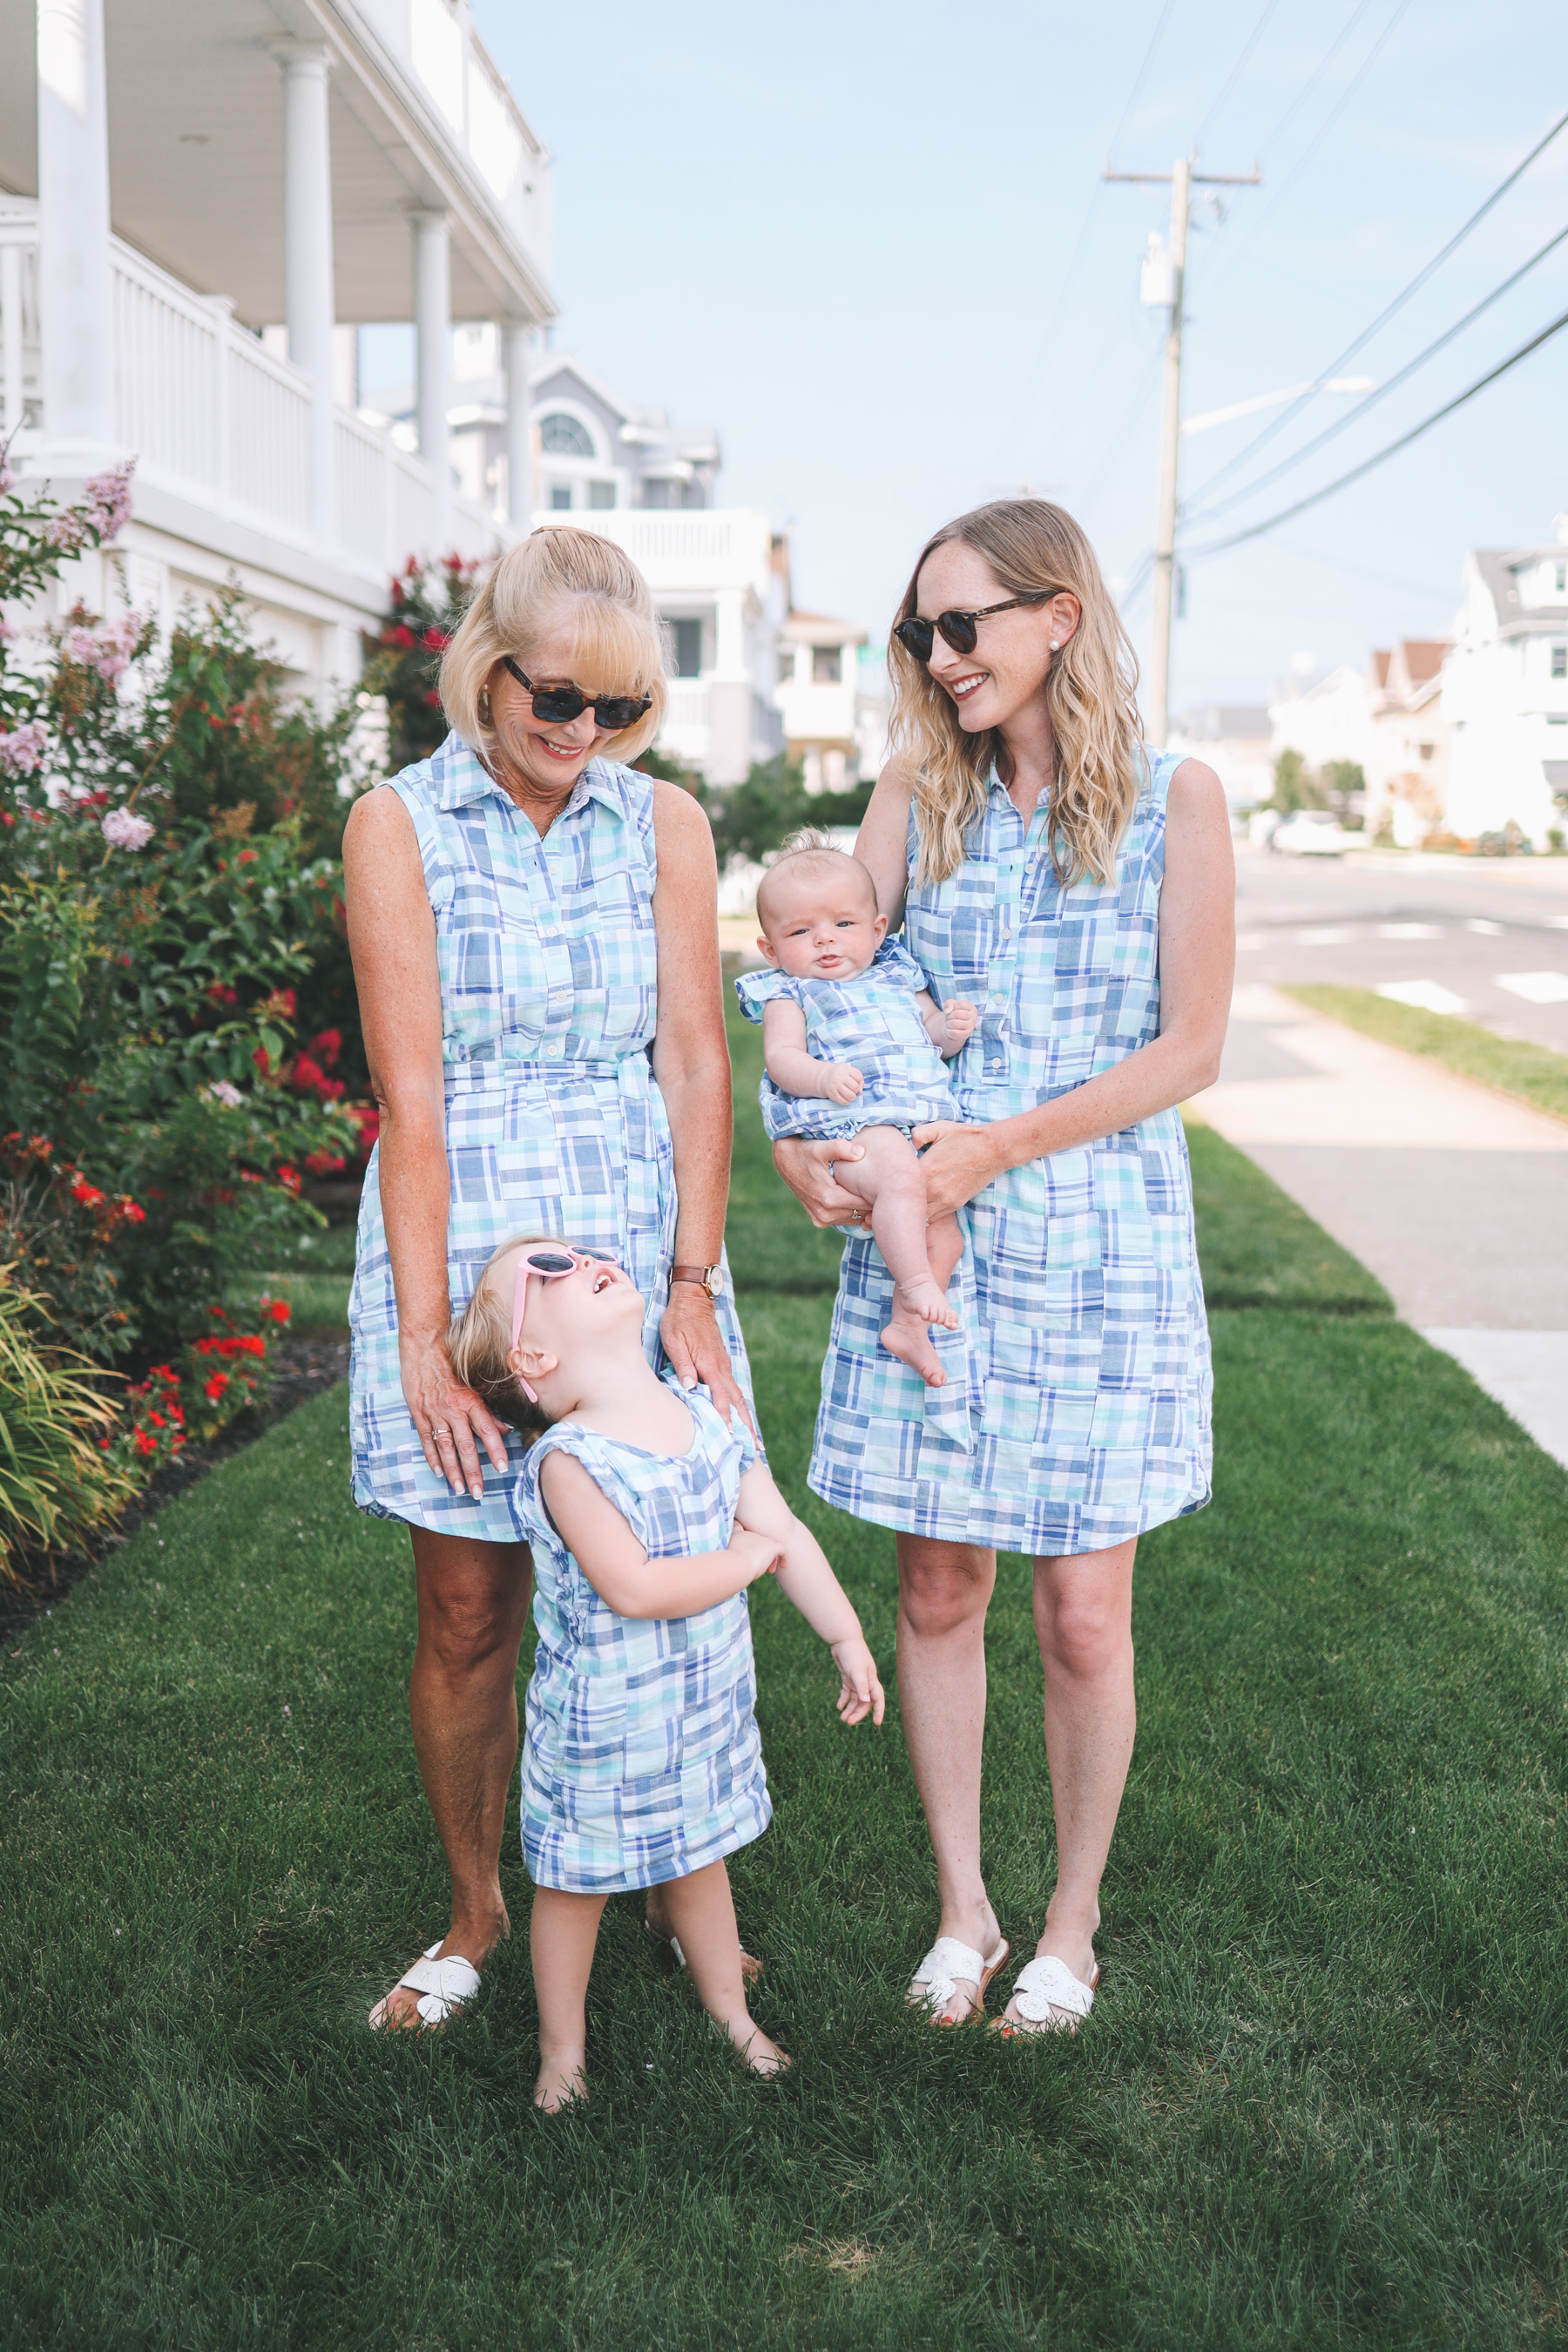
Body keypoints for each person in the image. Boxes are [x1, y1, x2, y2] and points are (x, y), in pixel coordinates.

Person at [772, 499, 1233, 2036]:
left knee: (1085, 1614)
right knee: (941, 1579)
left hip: (1099, 1236)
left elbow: (1189, 1050)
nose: (939, 654)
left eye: (962, 622)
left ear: (1057, 616)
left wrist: (999, 1145)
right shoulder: (917, 797)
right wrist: (808, 1149)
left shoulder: (1179, 800)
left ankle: (1072, 1926)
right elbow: (835, 982)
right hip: (940, 1240)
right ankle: (964, 1908)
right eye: (922, 631)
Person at [344, 527, 757, 2032]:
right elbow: (413, 1100)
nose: (586, 735)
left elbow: (700, 1058)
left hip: (631, 1249)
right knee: (468, 1609)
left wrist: (694, 1283)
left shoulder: (666, 827)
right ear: (486, 667)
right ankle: (474, 1912)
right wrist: (418, 1339)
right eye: (559, 699)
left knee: (659, 1585)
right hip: (463, 1241)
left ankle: (669, 1872)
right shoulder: (397, 824)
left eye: (624, 710)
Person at [444, 1232, 884, 2108]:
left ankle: (731, 2015)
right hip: (603, 1726)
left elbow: (783, 1531)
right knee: (576, 1887)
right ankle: (562, 2049)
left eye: (579, 1249)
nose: (580, 1256)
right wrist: (749, 1560)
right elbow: (636, 1588)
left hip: (702, 1709)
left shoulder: (709, 1412)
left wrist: (844, 1636)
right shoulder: (571, 1462)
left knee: (699, 1856)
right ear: (535, 1354)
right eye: (550, 1269)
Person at [735, 841, 977, 1384]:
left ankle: (907, 1327)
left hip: (915, 1119)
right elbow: (781, 1058)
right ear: (771, 950)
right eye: (800, 932)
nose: (824, 939)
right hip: (856, 1123)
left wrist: (950, 1030)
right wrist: (821, 1077)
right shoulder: (789, 991)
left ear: (877, 928)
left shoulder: (896, 975)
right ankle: (916, 1285)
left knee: (947, 1235)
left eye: (843, 923)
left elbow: (930, 1034)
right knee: (898, 1180)